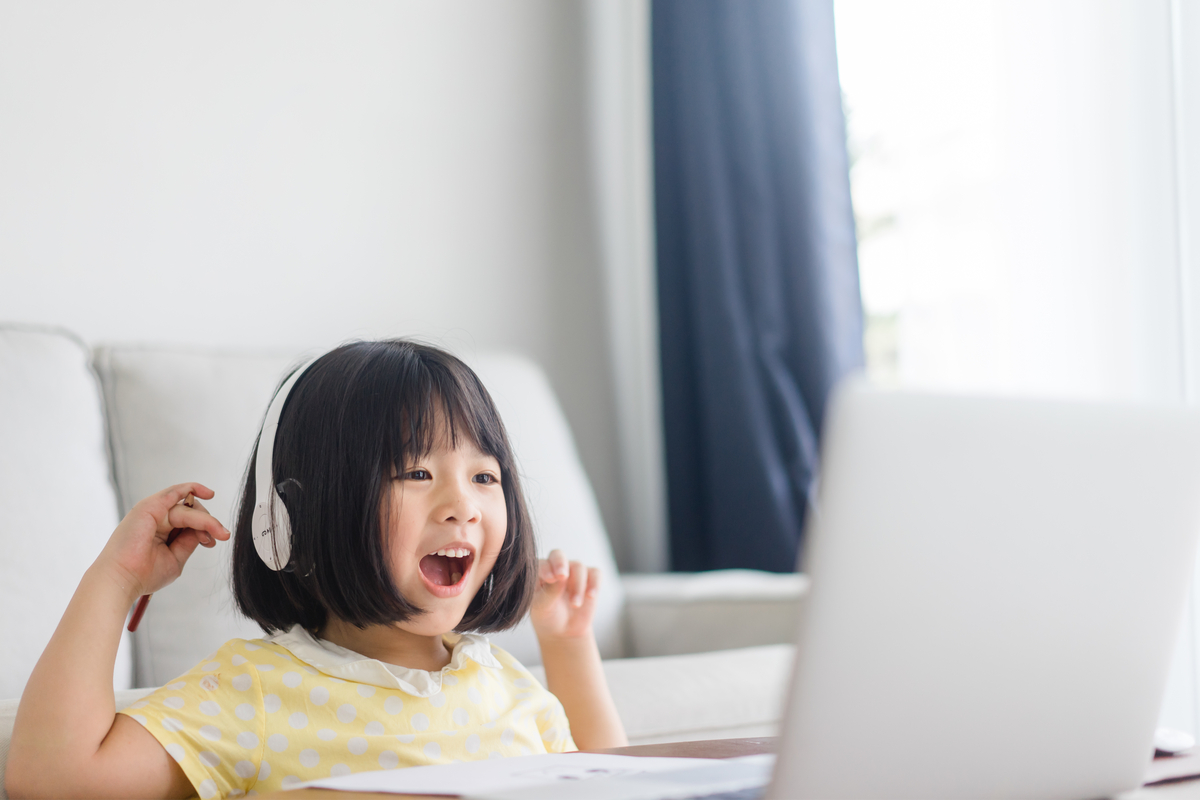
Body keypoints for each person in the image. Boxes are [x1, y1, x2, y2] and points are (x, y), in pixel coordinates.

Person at [7, 340, 626, 800]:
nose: (463, 506)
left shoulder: (502, 681)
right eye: (416, 473)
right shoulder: (253, 692)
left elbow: (617, 786)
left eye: (484, 477)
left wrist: (569, 647)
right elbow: (53, 784)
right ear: (293, 518)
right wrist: (115, 580)